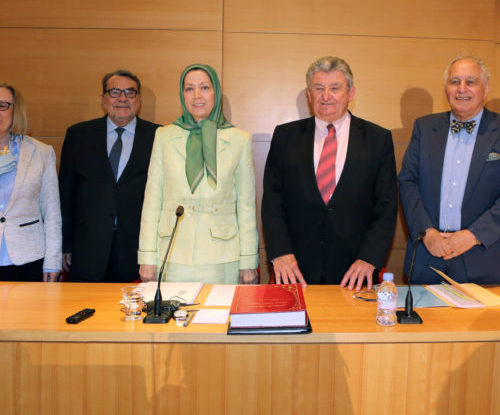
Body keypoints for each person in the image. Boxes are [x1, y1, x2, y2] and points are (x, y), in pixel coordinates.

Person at [262, 56, 398, 290]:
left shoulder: (378, 139)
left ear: (351, 92)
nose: (326, 96)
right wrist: (280, 252)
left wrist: (369, 258)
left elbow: (386, 206)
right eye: (319, 88)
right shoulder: (285, 137)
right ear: (309, 94)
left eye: (335, 88)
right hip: (295, 270)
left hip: (356, 272)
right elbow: (273, 201)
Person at [138, 64, 258, 284]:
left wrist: (248, 262)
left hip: (222, 255)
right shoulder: (164, 136)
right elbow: (152, 201)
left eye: (204, 87)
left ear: (216, 93)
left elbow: (246, 207)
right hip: (172, 253)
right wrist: (146, 257)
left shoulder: (239, 139)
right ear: (182, 95)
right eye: (189, 89)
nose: (197, 95)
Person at [399, 55, 500, 284]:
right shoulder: (424, 127)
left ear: (485, 89)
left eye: (471, 82)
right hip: (428, 255)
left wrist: (475, 235)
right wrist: (427, 232)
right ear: (446, 88)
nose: (461, 89)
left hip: (483, 257)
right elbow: (407, 182)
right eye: (455, 81)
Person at [59, 69, 159, 282]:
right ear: (103, 99)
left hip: (137, 251)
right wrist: (64, 245)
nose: (122, 98)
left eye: (130, 92)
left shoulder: (159, 137)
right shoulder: (78, 135)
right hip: (87, 249)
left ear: (139, 100)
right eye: (115, 92)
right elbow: (65, 195)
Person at [0, 84, 61, 281]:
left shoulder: (41, 152)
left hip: (27, 258)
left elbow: (52, 213)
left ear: (15, 110)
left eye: (2, 105)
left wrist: (53, 262)